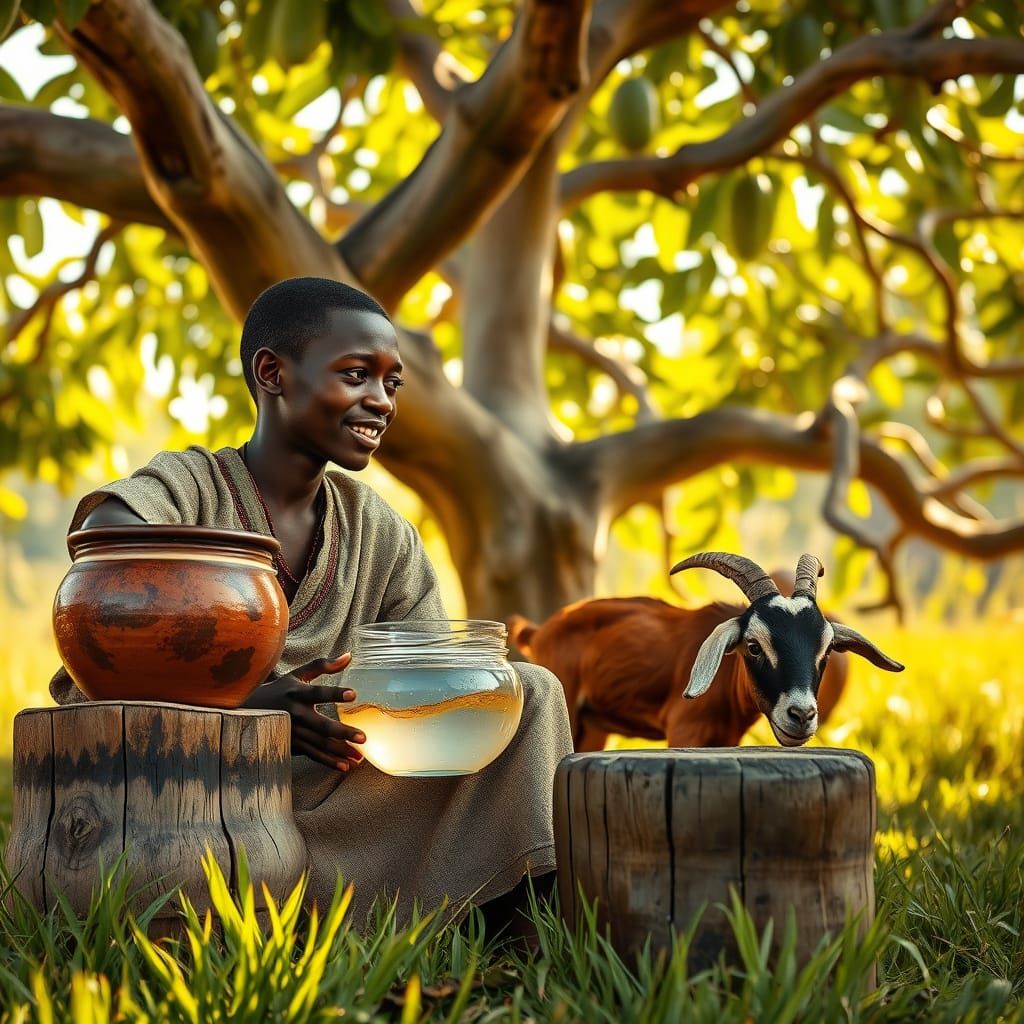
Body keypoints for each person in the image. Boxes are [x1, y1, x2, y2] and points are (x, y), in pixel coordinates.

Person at [49, 276, 574, 933]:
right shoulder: (191, 487)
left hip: (339, 808)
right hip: (201, 802)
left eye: (392, 383)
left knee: (532, 691)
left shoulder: (378, 531)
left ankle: (514, 935)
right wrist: (243, 707)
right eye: (356, 375)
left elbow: (433, 681)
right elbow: (104, 560)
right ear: (273, 373)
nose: (380, 402)